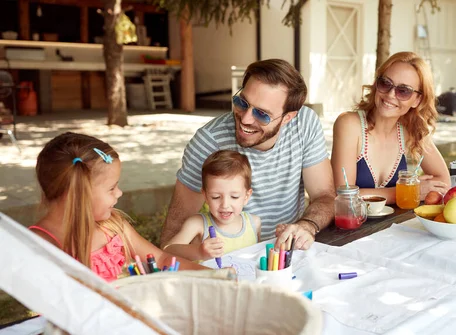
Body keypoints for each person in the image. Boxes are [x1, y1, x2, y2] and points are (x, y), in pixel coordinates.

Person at [161, 59, 335, 251]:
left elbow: (324, 196)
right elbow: (174, 232)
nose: (245, 118)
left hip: (288, 253)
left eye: (262, 114)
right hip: (231, 260)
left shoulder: (305, 124)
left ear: (288, 118)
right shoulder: (209, 142)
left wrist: (306, 226)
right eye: (242, 102)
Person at [30, 132, 211, 282]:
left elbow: (162, 259)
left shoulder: (113, 225)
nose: (119, 193)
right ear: (79, 195)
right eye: (111, 188)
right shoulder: (40, 245)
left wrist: (212, 275)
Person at [331, 51, 450, 203]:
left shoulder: (410, 129)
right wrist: (407, 192)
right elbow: (343, 196)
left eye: (404, 91)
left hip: (394, 224)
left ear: (417, 100)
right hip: (352, 226)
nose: (391, 94)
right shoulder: (349, 124)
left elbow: (443, 181)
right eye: (385, 83)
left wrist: (411, 191)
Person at [163, 150, 260, 262]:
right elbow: (167, 250)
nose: (225, 205)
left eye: (234, 197)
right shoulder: (197, 224)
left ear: (246, 196)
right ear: (205, 196)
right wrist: (198, 252)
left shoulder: (254, 223)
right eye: (215, 197)